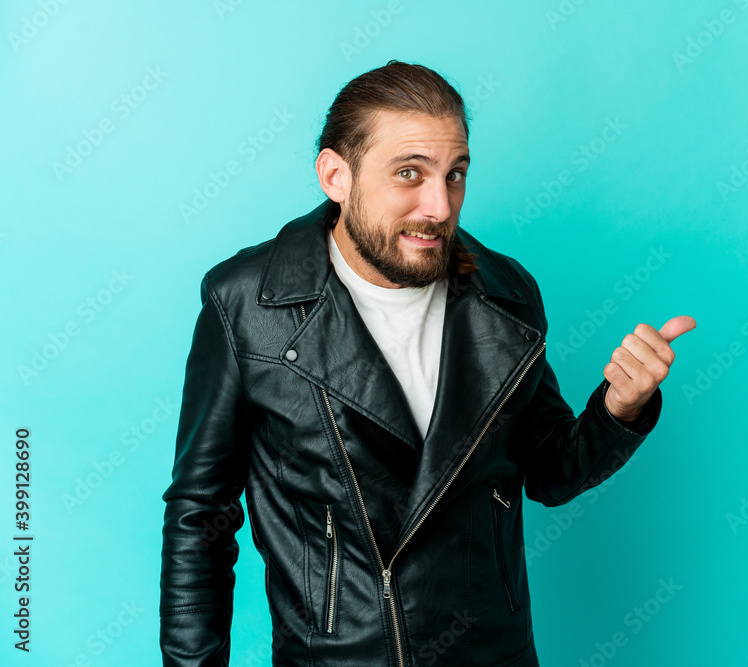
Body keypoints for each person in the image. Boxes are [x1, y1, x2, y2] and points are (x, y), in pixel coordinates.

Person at [159, 60, 695, 667]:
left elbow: (549, 472)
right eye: (409, 173)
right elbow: (200, 516)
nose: (439, 205)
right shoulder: (246, 304)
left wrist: (619, 408)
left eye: (455, 174)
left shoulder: (507, 295)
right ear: (336, 176)